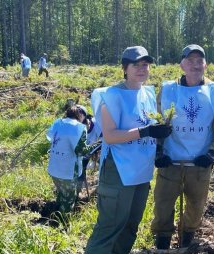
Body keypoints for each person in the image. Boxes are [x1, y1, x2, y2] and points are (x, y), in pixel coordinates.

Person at [85, 46, 172, 254]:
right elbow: (110, 136)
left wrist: (158, 147)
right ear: (125, 68)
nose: (142, 68)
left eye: (145, 64)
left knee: (131, 225)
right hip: (119, 169)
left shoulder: (148, 94)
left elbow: (151, 129)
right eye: (136, 64)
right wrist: (146, 131)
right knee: (110, 226)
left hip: (141, 171)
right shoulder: (111, 95)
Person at [151, 44, 214, 249]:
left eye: (200, 61)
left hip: (200, 163)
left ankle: (186, 242)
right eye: (190, 61)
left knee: (196, 207)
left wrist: (212, 154)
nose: (195, 65)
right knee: (163, 206)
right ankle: (162, 244)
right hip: (170, 162)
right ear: (182, 64)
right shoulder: (168, 90)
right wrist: (158, 152)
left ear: (205, 64)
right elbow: (157, 124)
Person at [46, 105, 90, 214]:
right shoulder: (79, 128)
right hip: (68, 171)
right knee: (69, 198)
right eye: (84, 116)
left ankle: (54, 214)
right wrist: (95, 145)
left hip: (54, 167)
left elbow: (50, 137)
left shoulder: (58, 122)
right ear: (80, 115)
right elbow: (81, 151)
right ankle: (62, 223)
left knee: (62, 192)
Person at [76, 105, 102, 197]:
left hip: (101, 147)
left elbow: (104, 141)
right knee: (80, 172)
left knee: (103, 166)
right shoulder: (75, 129)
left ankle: (100, 191)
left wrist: (95, 151)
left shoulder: (99, 125)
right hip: (84, 152)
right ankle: (77, 193)